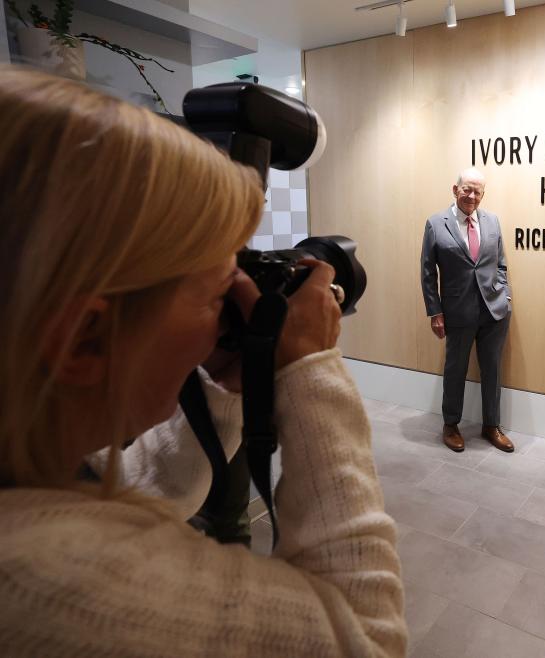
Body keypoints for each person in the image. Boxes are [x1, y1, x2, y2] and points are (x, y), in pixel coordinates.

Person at [0, 67, 406, 656]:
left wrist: (221, 393)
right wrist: (311, 370)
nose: (228, 320)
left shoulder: (31, 489)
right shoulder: (43, 584)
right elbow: (365, 638)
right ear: (85, 338)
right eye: (219, 294)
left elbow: (132, 492)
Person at [420, 168, 514, 453]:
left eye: (477, 191)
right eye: (467, 190)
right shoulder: (436, 223)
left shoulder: (493, 221)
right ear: (455, 189)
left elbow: (500, 264)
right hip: (457, 312)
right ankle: (450, 425)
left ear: (483, 194)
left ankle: (491, 426)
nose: (471, 196)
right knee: (455, 369)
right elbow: (427, 272)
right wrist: (435, 312)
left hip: (494, 312)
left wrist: (504, 296)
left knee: (492, 371)